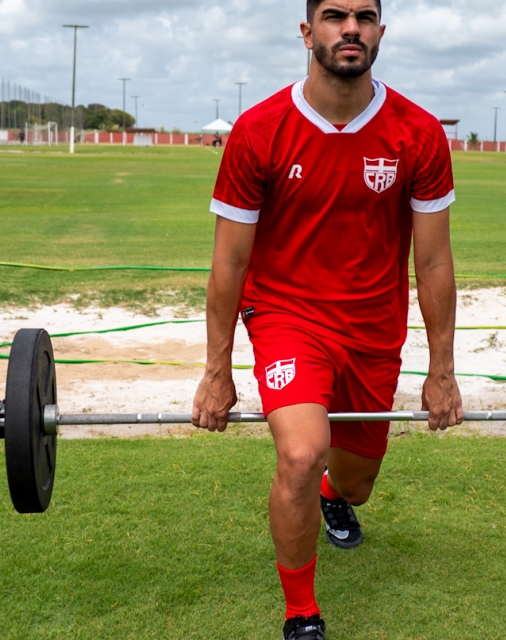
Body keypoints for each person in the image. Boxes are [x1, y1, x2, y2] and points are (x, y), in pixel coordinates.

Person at [191, 1, 463, 637]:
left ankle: (337, 500)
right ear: (307, 30)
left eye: (364, 17)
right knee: (302, 455)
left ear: (380, 33)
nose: (351, 28)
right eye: (335, 15)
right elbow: (229, 264)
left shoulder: (417, 133)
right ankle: (302, 612)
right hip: (287, 316)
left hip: (373, 327)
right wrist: (215, 371)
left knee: (356, 480)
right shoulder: (260, 130)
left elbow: (435, 261)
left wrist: (443, 371)